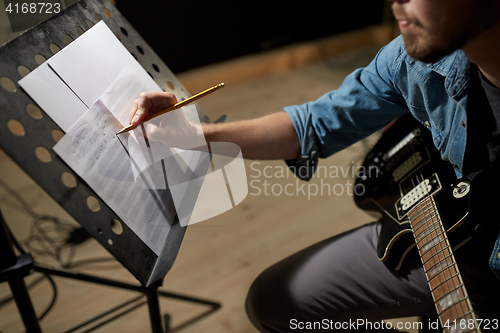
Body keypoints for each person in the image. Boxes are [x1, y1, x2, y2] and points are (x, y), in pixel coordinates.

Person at [129, 0, 500, 331]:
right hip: (455, 221)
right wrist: (193, 135)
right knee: (273, 301)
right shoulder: (415, 58)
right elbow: (314, 123)